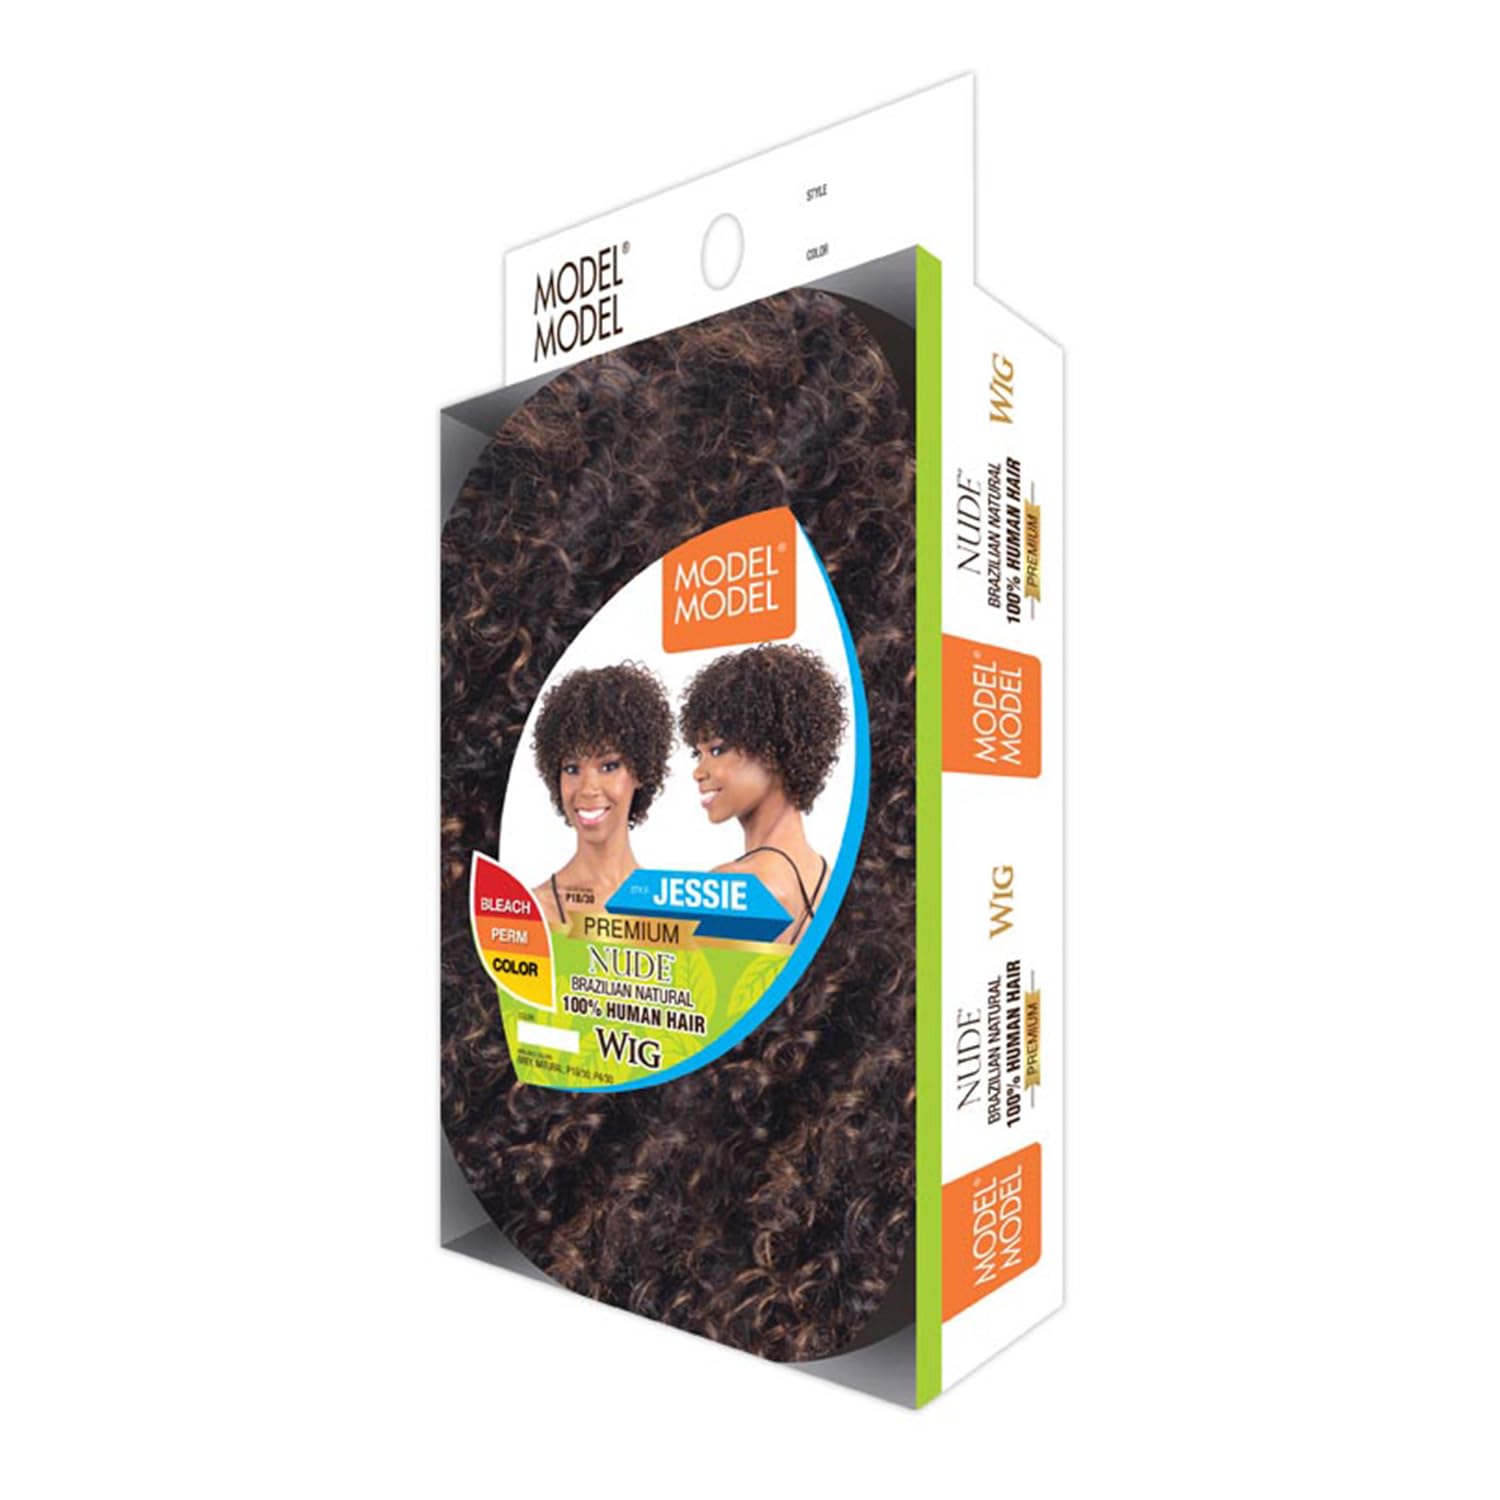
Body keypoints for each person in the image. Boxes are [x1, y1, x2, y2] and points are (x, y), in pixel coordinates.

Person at [679, 643, 847, 945]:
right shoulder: (828, 879)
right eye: (698, 754)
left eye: (717, 750)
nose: (698, 772)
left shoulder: (734, 890)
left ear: (773, 750)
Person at [529, 663, 673, 928]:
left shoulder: (671, 910)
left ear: (640, 771)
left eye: (608, 767)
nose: (587, 788)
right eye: (572, 769)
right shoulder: (535, 911)